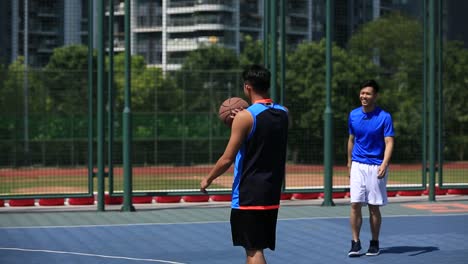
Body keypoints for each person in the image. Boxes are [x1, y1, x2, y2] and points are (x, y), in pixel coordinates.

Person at [200, 64, 289, 264]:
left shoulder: (245, 117)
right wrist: (244, 117)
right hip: (271, 191)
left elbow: (227, 158)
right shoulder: (284, 113)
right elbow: (263, 128)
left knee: (253, 251)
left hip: (248, 193)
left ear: (247, 87)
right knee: (256, 248)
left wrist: (208, 178)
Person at [347, 79, 394, 257]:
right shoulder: (353, 115)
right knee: (354, 204)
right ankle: (355, 243)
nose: (363, 96)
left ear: (375, 96)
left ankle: (374, 243)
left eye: (367, 93)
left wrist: (384, 163)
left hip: (376, 166)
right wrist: (349, 162)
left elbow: (389, 142)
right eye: (362, 93)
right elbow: (351, 139)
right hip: (358, 164)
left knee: (373, 207)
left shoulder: (384, 117)